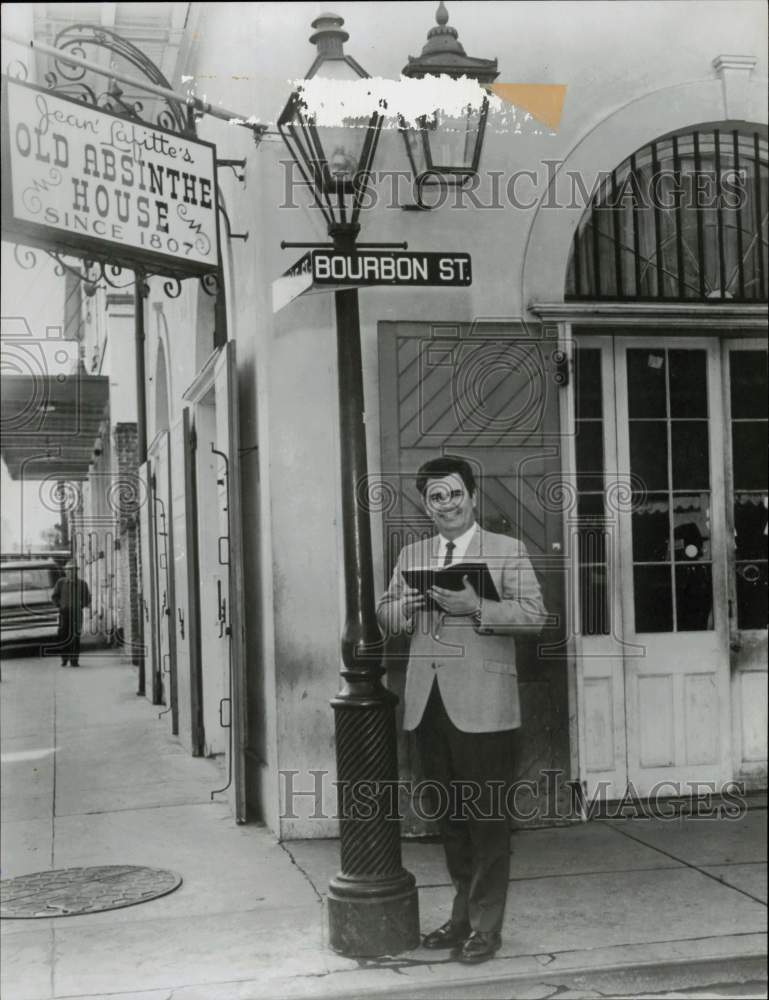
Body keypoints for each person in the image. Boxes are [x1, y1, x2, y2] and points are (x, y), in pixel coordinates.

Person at [377, 455, 547, 964]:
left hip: (486, 707)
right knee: (449, 820)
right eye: (435, 497)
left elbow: (536, 617)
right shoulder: (413, 555)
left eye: (454, 494)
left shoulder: (507, 551)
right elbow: (385, 613)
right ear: (426, 506)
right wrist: (402, 609)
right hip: (428, 707)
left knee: (486, 820)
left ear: (472, 496)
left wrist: (475, 607)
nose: (446, 504)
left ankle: (486, 927)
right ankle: (462, 917)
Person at [51, 559, 91, 667]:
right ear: (65, 571)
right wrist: (60, 605)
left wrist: (81, 605)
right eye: (68, 570)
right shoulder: (61, 583)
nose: (70, 572)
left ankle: (74, 660)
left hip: (76, 613)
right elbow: (54, 596)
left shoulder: (82, 584)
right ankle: (64, 659)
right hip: (64, 613)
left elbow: (87, 598)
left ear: (76, 571)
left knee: (75, 637)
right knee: (63, 636)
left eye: (72, 570)